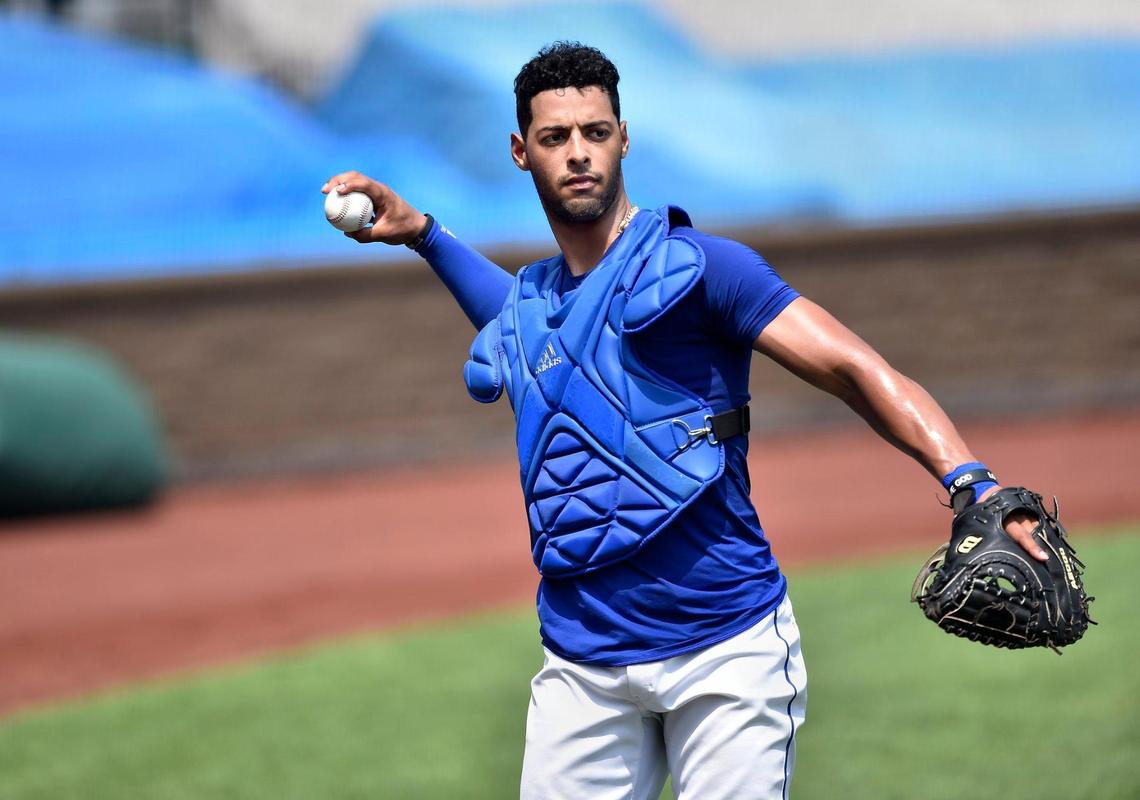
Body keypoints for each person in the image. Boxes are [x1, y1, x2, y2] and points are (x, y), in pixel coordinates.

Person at [322, 42, 1045, 800]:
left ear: (623, 139)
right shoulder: (533, 308)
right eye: (555, 137)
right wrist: (425, 236)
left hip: (724, 651)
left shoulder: (705, 268)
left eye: (595, 133)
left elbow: (856, 368)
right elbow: (532, 328)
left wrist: (974, 484)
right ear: (519, 151)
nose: (578, 154)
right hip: (582, 665)